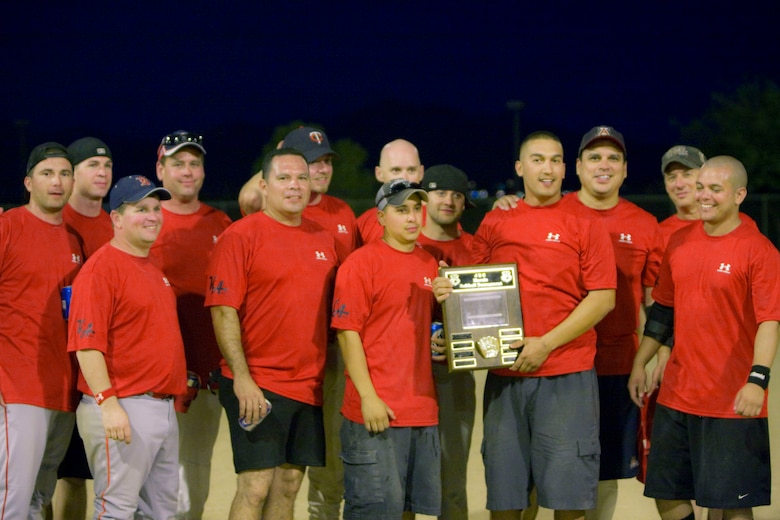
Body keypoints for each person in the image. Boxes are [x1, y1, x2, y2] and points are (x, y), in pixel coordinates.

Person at [453, 131, 616, 520]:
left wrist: (546, 343)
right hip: (506, 372)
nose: (547, 168)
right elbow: (472, 285)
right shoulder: (497, 220)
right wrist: (448, 289)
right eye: (538, 159)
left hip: (566, 373)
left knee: (567, 492)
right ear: (519, 168)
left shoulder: (584, 222)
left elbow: (603, 297)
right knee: (506, 491)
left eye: (555, 160)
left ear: (565, 168)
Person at [628, 156, 780, 520]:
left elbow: (769, 322)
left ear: (739, 194)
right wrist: (639, 363)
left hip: (730, 399)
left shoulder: (758, 250)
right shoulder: (680, 242)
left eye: (715, 188)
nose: (704, 196)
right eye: (701, 188)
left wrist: (757, 380)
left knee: (732, 503)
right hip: (679, 395)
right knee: (666, 493)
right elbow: (664, 312)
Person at [205, 148, 340, 519]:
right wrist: (243, 379)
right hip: (258, 384)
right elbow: (222, 309)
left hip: (308, 386)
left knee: (289, 486)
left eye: (301, 178)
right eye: (284, 178)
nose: (295, 186)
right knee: (255, 486)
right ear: (264, 186)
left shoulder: (323, 239)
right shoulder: (240, 236)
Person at [68, 174, 186, 518]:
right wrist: (108, 404)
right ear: (116, 219)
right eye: (140, 209)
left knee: (161, 510)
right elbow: (86, 345)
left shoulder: (150, 266)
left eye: (155, 208)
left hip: (159, 407)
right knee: (117, 508)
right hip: (124, 405)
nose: (152, 216)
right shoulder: (101, 270)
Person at [565, 126, 664, 520]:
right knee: (557, 462)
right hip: (562, 362)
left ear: (624, 170)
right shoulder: (555, 212)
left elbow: (655, 301)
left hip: (616, 363)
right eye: (594, 157)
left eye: (612, 159)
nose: (603, 165)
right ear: (577, 167)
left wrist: (648, 359)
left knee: (606, 469)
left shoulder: (644, 224)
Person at [332, 178, 441, 519]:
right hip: (377, 411)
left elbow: (426, 330)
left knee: (410, 510)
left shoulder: (430, 265)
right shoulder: (361, 264)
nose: (411, 218)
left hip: (422, 409)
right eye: (400, 210)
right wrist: (367, 396)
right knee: (375, 511)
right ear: (380, 218)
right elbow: (347, 333)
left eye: (416, 209)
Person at [149, 130, 232, 519]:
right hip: (150, 372)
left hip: (205, 369)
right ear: (160, 169)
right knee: (151, 472)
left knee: (195, 472)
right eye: (178, 163)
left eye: (194, 163)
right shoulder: (145, 219)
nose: (187, 171)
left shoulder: (221, 222)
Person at [0, 142, 82, 518]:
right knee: (12, 493)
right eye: (47, 173)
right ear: (28, 182)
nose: (57, 181)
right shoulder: (8, 227)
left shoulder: (74, 240)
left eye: (65, 173)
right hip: (16, 384)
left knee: (39, 494)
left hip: (61, 385)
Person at [50, 137, 114, 520]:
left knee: (78, 475)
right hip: (50, 368)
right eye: (92, 165)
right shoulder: (53, 220)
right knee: (44, 475)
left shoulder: (118, 224)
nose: (102, 173)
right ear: (71, 175)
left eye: (107, 166)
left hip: (100, 373)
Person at [417, 164, 477, 520]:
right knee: (403, 478)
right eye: (440, 192)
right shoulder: (407, 242)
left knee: (453, 477)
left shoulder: (475, 247)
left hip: (456, 373)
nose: (449, 201)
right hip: (405, 373)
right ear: (425, 197)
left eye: (457, 195)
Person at [356, 138, 425, 244]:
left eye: (411, 170)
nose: (404, 178)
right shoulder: (363, 224)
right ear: (379, 174)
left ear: (421, 173)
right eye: (396, 170)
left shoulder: (438, 222)